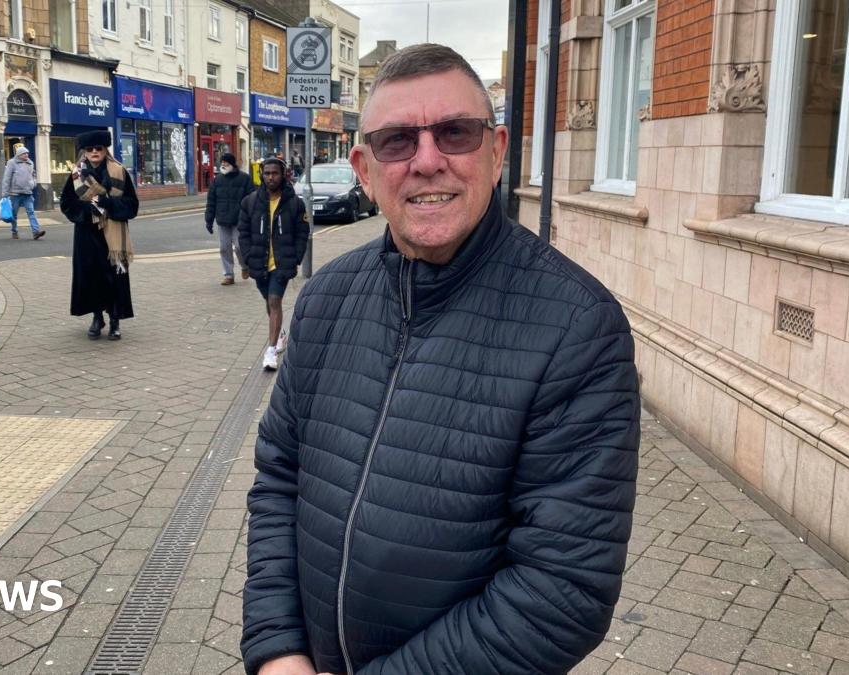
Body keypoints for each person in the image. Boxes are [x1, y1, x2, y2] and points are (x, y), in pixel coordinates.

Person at [241, 44, 639, 675]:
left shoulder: (576, 326)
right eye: (397, 141)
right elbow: (279, 481)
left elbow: (561, 593)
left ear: (497, 151)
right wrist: (277, 649)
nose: (427, 161)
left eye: (455, 133)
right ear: (365, 169)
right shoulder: (325, 299)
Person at [60, 130, 139, 341]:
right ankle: (97, 318)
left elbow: (132, 205)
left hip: (113, 236)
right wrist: (88, 210)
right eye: (90, 149)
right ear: (84, 152)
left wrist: (107, 203)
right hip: (87, 233)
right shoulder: (76, 175)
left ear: (105, 150)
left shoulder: (119, 171)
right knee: (91, 278)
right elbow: (67, 204)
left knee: (114, 278)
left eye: (99, 148)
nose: (94, 152)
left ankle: (114, 320)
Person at [237, 158, 308, 372]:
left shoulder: (294, 203)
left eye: (274, 173)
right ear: (262, 175)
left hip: (282, 263)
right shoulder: (250, 202)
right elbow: (243, 233)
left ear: (283, 174)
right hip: (259, 262)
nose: (270, 177)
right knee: (269, 301)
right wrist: (248, 257)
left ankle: (271, 351)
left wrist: (296, 257)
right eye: (266, 173)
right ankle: (280, 334)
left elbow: (302, 232)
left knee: (275, 300)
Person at [205, 153, 253, 285]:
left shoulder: (245, 178)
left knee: (239, 246)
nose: (223, 164)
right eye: (222, 162)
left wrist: (250, 217)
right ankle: (228, 275)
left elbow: (252, 199)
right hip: (223, 220)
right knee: (224, 248)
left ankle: (245, 266)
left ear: (232, 164)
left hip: (239, 220)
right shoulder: (217, 180)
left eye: (226, 162)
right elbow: (211, 202)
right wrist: (209, 220)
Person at [2, 144, 44, 240]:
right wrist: (5, 193)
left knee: (31, 212)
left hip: (27, 192)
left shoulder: (30, 163)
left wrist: (33, 183)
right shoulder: (11, 163)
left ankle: (36, 232)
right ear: (19, 154)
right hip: (15, 193)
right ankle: (14, 231)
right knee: (14, 214)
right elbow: (7, 178)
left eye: (27, 153)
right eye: (24, 153)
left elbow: (33, 175)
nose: (26, 155)